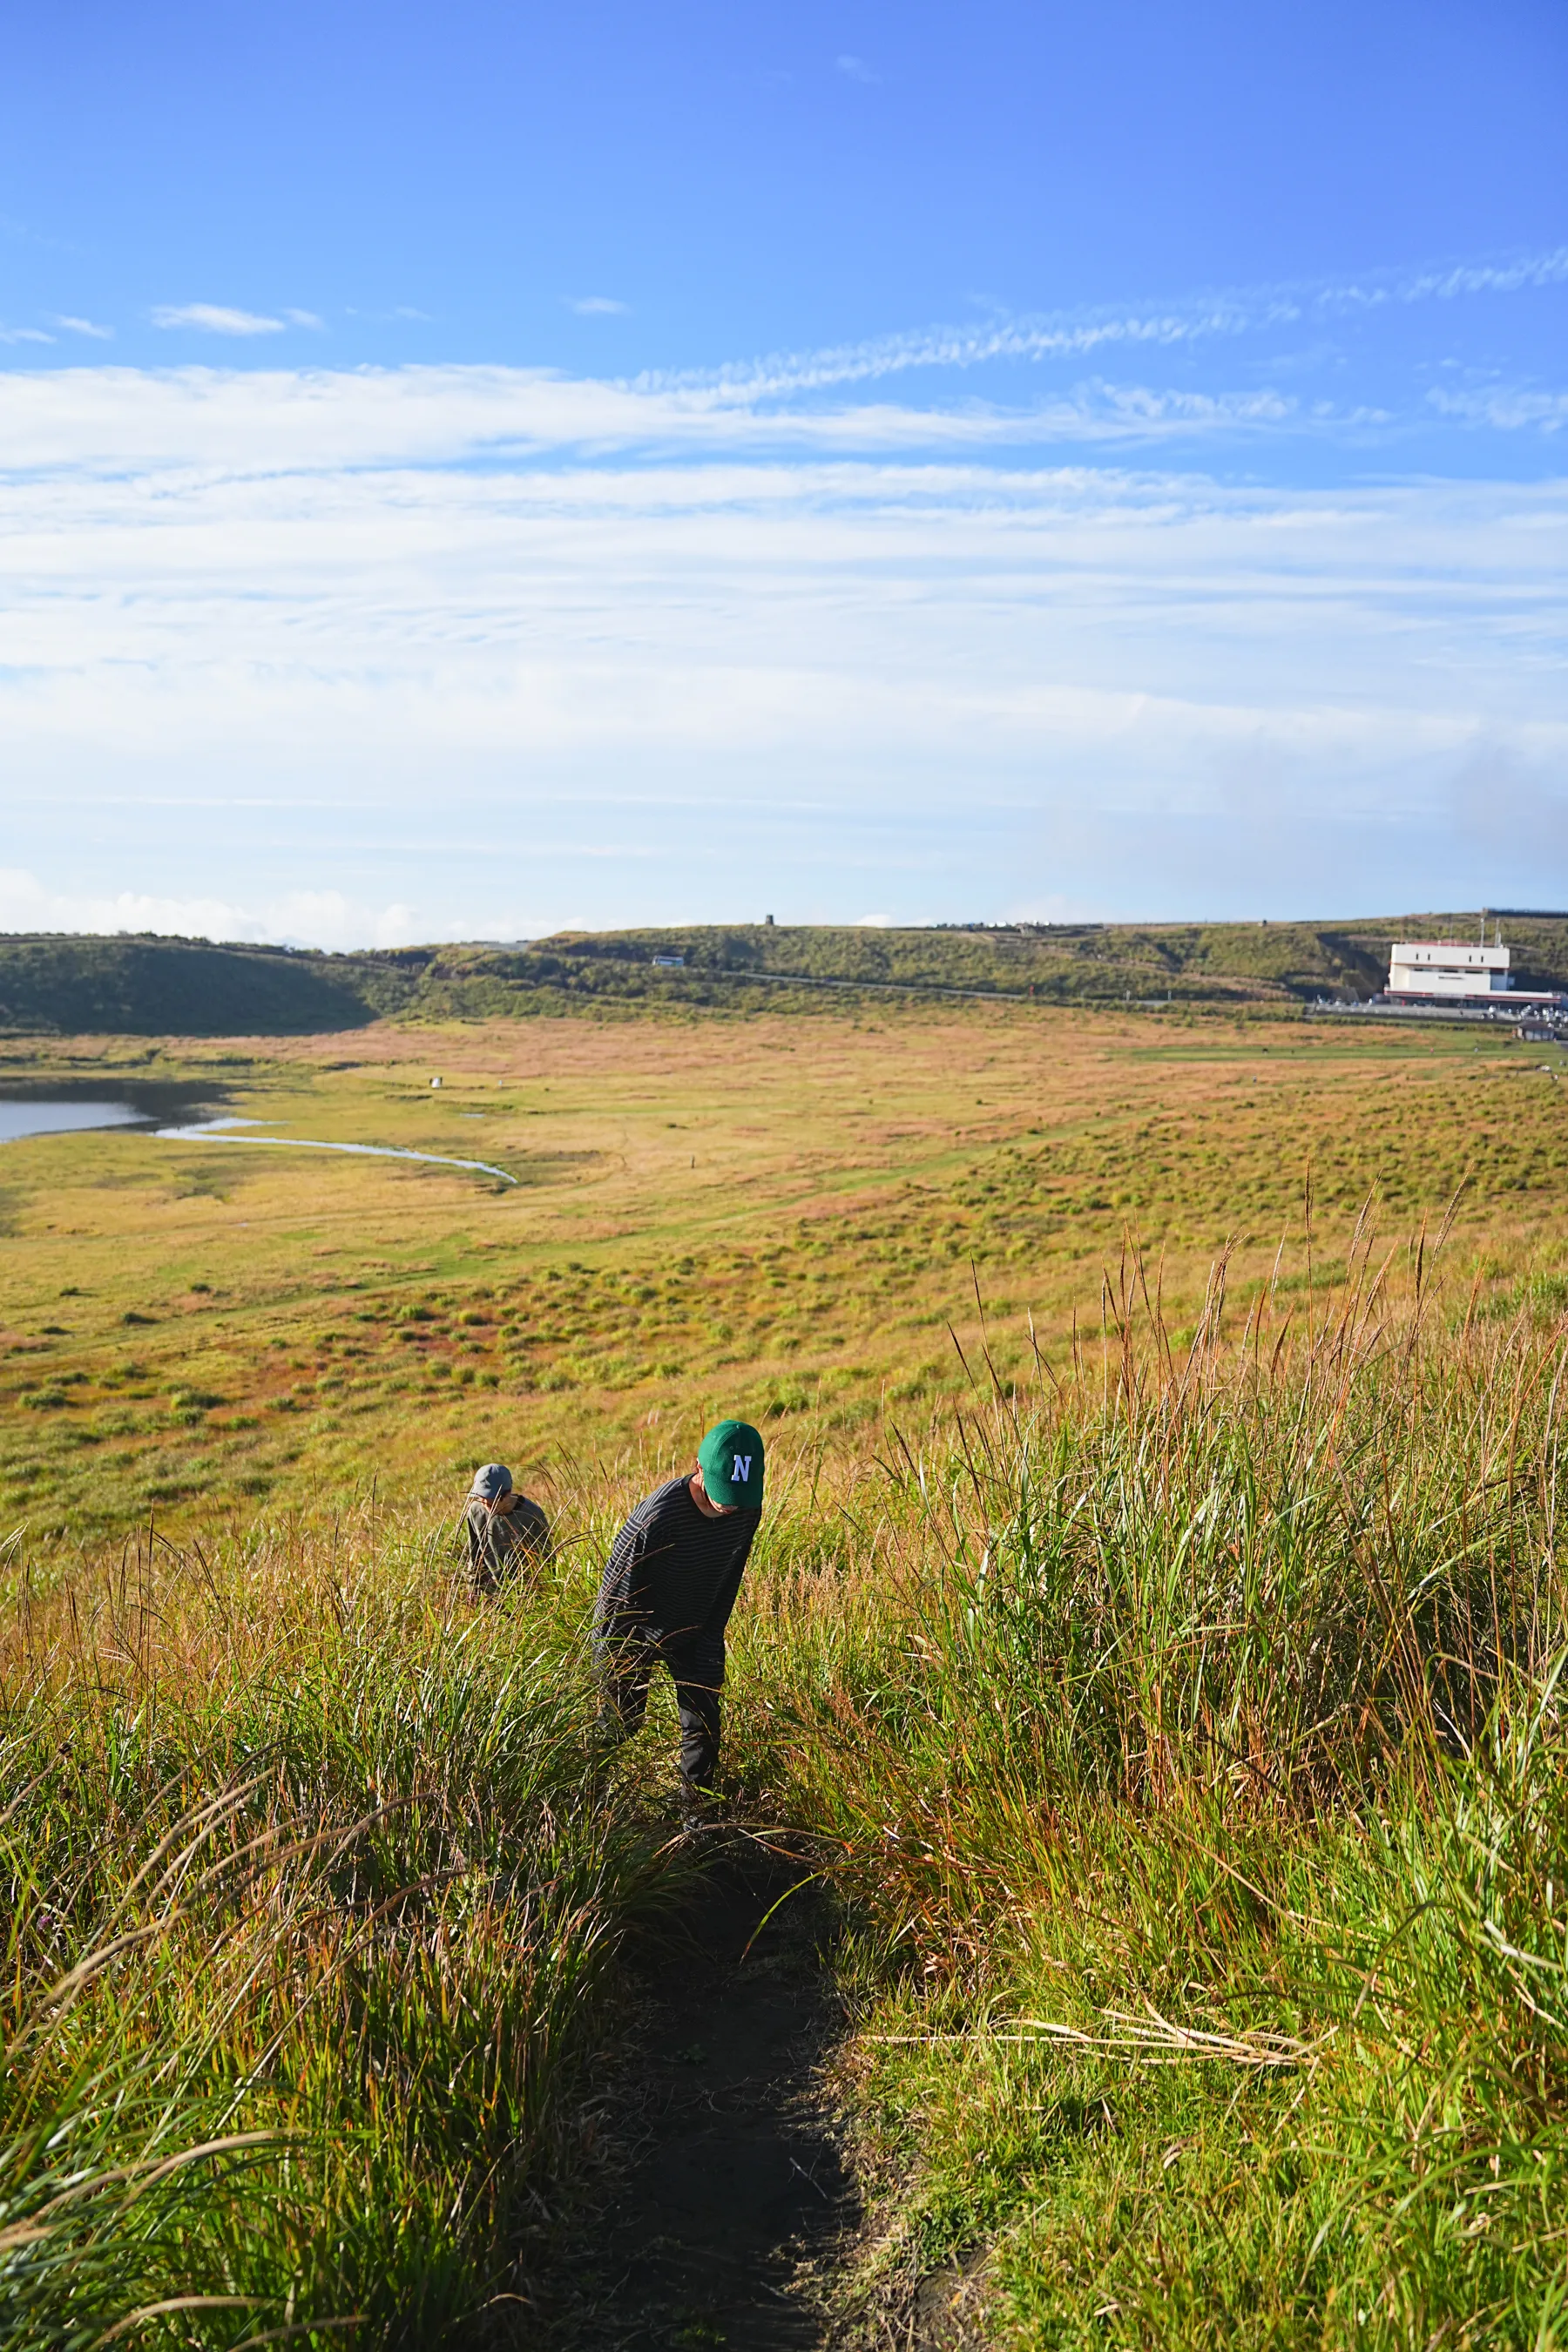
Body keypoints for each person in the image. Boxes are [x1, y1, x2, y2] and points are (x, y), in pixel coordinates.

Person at [594, 1418, 764, 1792]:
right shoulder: (655, 1519)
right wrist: (613, 1663)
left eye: (740, 1496)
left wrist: (712, 1635)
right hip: (634, 1635)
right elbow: (613, 1602)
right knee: (622, 1723)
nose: (731, 1507)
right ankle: (589, 1794)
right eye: (724, 1492)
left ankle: (695, 1817)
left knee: (703, 1726)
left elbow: (730, 1575)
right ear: (698, 1467)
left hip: (697, 1629)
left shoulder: (746, 1507)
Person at [463, 1463, 551, 1597]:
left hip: (525, 1592)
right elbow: (474, 1554)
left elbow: (547, 1559)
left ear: (508, 1493)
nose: (486, 1503)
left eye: (492, 1498)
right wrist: (473, 1589)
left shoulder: (532, 1515)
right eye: (481, 1497)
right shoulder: (475, 1511)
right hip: (490, 1591)